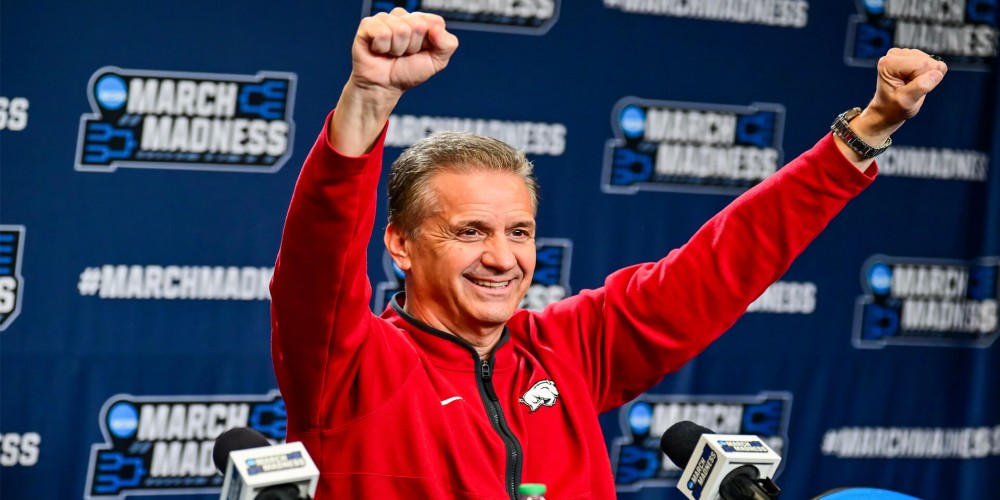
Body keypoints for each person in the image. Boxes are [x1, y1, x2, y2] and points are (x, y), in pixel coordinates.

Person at [269, 8, 947, 499]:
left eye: (519, 232)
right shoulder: (350, 366)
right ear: (401, 245)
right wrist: (369, 100)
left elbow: (719, 265)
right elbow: (315, 265)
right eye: (470, 231)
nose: (502, 259)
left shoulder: (567, 348)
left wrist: (865, 132)